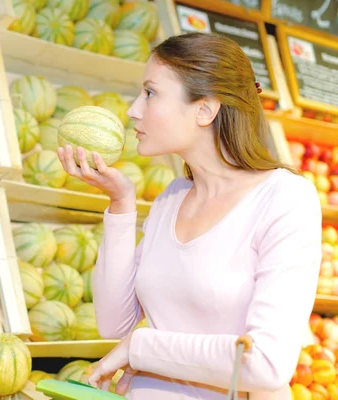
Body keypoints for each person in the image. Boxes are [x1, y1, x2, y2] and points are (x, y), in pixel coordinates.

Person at [57, 32, 321, 399]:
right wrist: (120, 203)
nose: (134, 109)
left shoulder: (285, 198)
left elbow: (265, 364)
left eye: (150, 93)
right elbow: (113, 322)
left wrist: (142, 348)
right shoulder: (171, 199)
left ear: (204, 109)